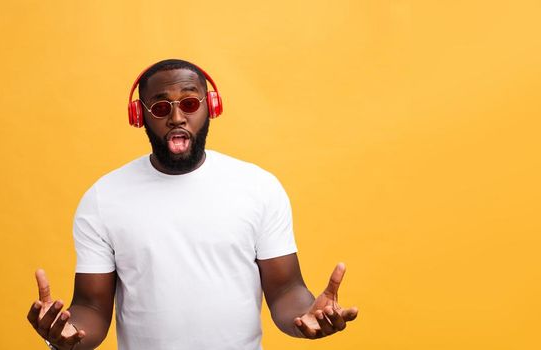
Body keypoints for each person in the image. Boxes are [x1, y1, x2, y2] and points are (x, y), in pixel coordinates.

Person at [26, 59, 359, 349]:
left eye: (188, 103)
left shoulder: (259, 188)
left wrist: (307, 317)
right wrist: (66, 334)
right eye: (159, 107)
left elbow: (286, 290)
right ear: (139, 116)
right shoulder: (103, 199)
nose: (175, 117)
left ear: (210, 106)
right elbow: (92, 308)